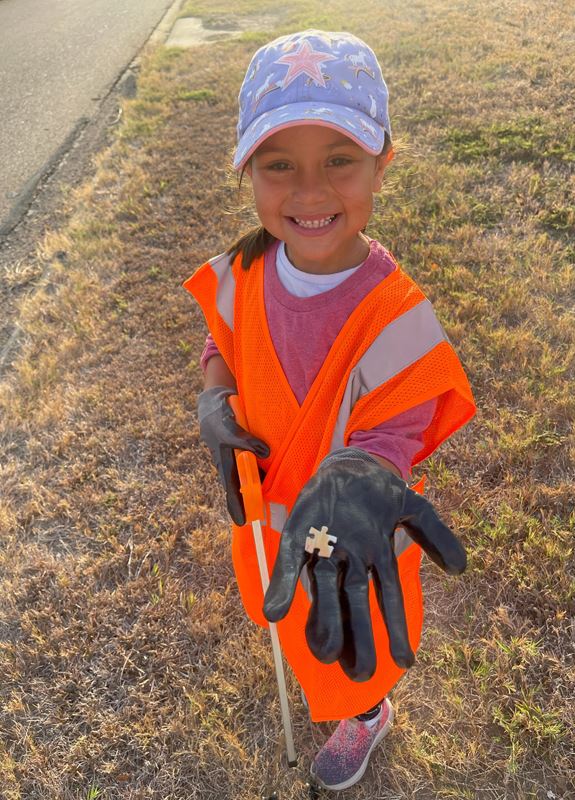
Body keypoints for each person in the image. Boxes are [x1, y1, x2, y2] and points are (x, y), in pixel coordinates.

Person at [183, 29, 476, 792]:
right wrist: (215, 396)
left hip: (351, 531)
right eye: (280, 165)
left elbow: (398, 425)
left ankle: (367, 712)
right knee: (288, 618)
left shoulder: (395, 311)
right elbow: (219, 344)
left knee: (353, 637)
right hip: (267, 518)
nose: (310, 193)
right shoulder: (245, 270)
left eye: (339, 160)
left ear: (383, 159)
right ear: (246, 170)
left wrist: (361, 473)